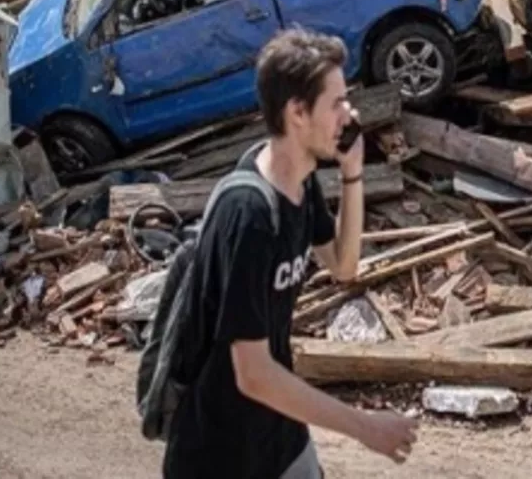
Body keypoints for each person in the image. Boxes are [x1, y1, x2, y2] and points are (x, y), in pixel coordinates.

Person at [162, 26, 418, 479]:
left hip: (280, 431)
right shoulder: (250, 218)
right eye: (336, 103)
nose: (349, 113)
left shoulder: (300, 183)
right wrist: (366, 428)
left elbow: (343, 266)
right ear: (297, 113)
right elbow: (253, 373)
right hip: (220, 454)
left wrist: (352, 174)